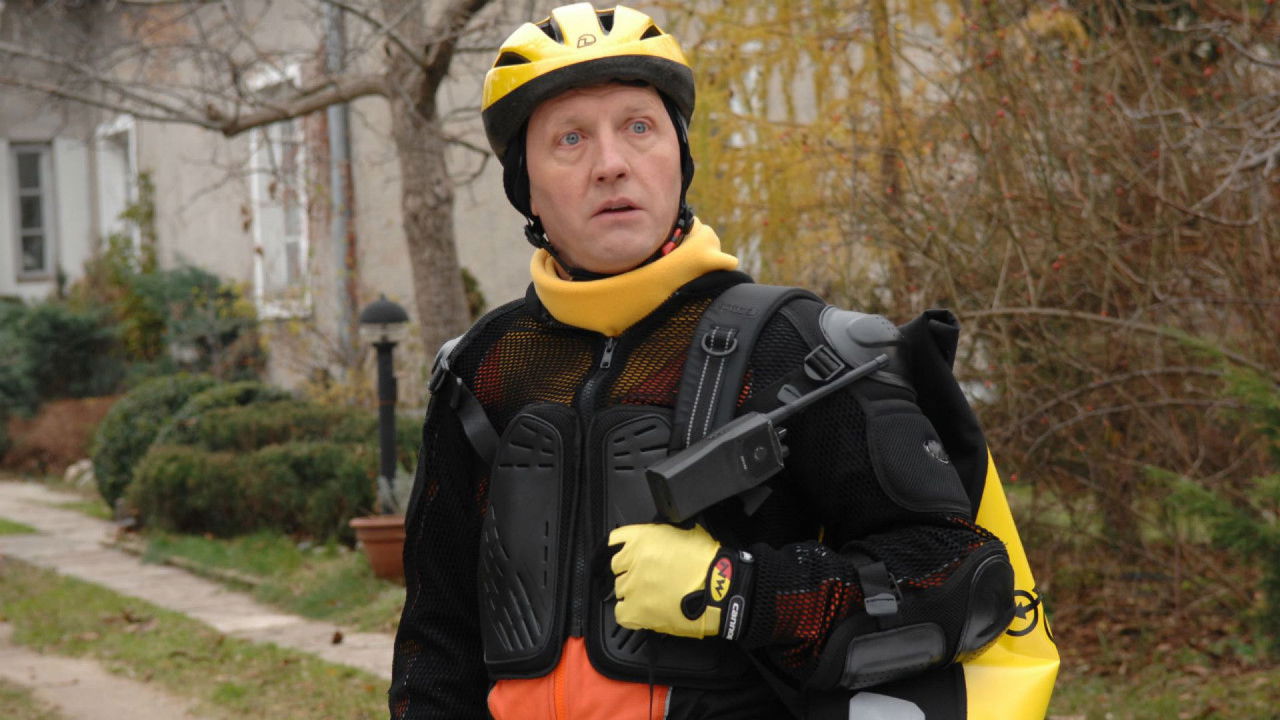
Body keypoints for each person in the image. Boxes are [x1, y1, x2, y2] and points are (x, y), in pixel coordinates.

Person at [389, 4, 1052, 719]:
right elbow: (437, 641)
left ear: (679, 155)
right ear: (526, 187)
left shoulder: (799, 347)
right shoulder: (484, 369)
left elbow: (957, 576)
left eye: (638, 127)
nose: (611, 164)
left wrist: (736, 593)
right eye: (570, 138)